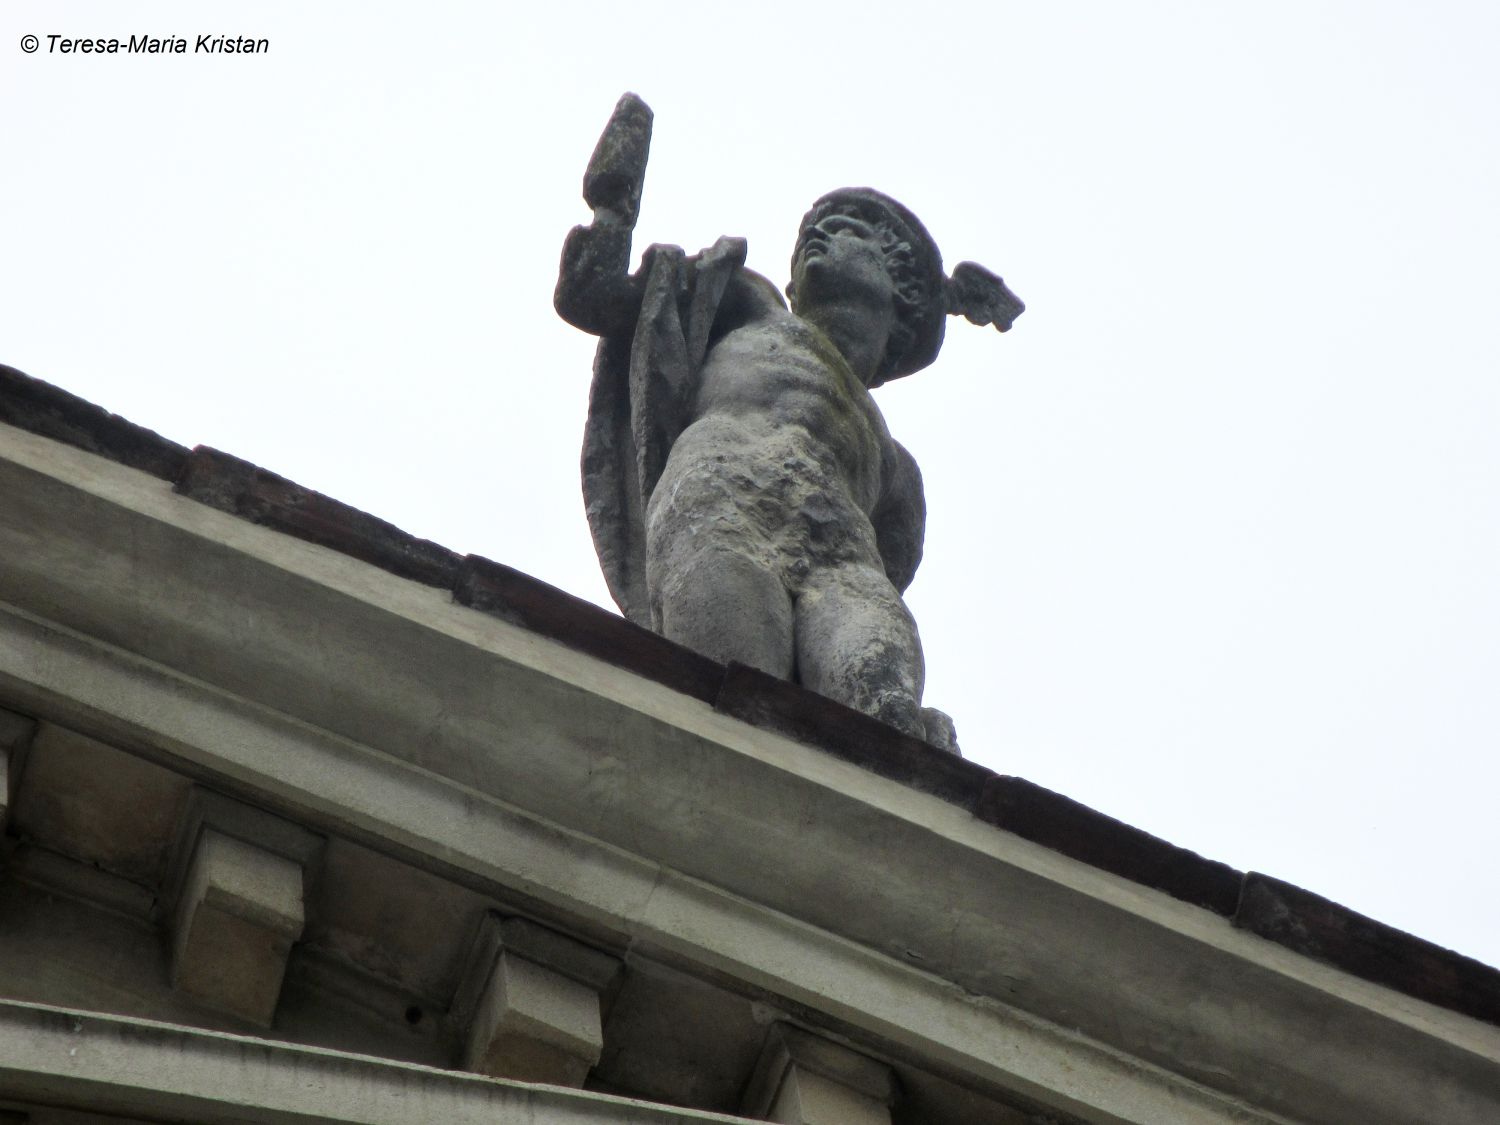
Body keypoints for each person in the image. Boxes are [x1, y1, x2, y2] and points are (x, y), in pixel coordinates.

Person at [556, 96, 1021, 752]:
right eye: (811, 235)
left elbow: (893, 553)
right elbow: (593, 296)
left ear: (902, 293)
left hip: (843, 554)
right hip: (722, 501)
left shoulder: (895, 467)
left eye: (849, 229)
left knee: (884, 717)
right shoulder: (748, 301)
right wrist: (613, 209)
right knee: (728, 694)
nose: (819, 238)